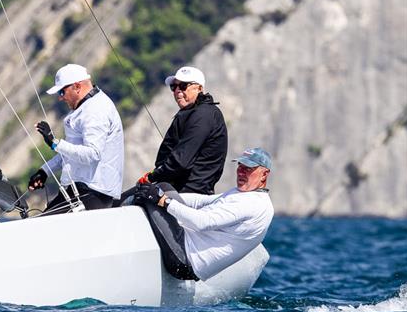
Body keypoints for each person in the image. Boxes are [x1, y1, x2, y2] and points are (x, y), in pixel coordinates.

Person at [133, 148, 274, 281]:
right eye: (240, 166)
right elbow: (202, 201)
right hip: (185, 242)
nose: (241, 172)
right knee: (161, 187)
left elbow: (203, 223)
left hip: (185, 260)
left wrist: (164, 200)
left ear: (264, 174)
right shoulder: (243, 194)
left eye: (248, 169)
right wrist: (166, 196)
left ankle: (115, 215)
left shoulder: (253, 203)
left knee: (151, 195)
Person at [27, 63, 124, 214]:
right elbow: (72, 153)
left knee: (38, 230)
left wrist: (54, 143)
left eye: (62, 92)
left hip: (91, 193)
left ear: (77, 87)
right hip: (79, 192)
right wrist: (45, 171)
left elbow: (93, 154)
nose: (61, 98)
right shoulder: (87, 106)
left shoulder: (95, 110)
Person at [139, 66, 227, 194]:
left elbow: (181, 162)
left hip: (189, 193)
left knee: (126, 202)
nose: (177, 91)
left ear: (200, 88)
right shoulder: (192, 113)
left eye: (183, 86)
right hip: (175, 188)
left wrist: (151, 177)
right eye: (174, 87)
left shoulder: (204, 115)